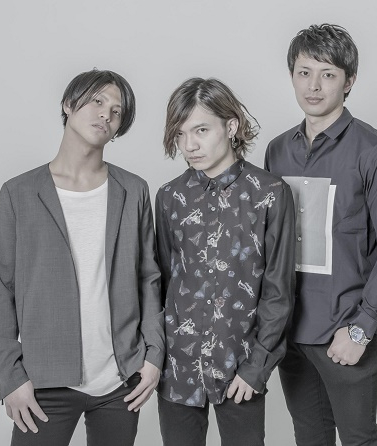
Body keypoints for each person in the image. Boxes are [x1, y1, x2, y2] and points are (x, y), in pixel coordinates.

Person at [0, 69, 165, 446]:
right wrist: (10, 377)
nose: (106, 114)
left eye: (116, 111)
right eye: (98, 101)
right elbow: (1, 290)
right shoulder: (18, 193)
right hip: (44, 381)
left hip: (120, 380)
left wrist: (153, 357)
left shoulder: (133, 190)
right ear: (68, 104)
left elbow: (148, 278)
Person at [265, 24, 377, 446]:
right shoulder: (277, 150)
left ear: (349, 81)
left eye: (327, 74)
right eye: (304, 72)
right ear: (292, 76)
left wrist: (362, 328)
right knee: (309, 438)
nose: (313, 86)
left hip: (345, 333)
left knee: (358, 440)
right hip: (290, 333)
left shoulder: (375, 150)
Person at [155, 77, 295, 446]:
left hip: (241, 367)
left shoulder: (270, 194)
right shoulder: (169, 197)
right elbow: (165, 280)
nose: (189, 145)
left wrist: (256, 367)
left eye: (201, 130)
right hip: (178, 368)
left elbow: (278, 291)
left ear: (230, 127)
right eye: (180, 134)